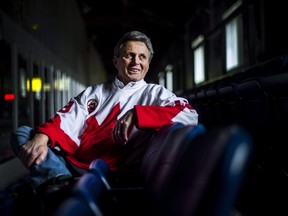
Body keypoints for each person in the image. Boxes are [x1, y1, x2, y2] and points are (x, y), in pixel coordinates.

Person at [10, 30, 198, 193]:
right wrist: (42, 138)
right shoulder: (95, 92)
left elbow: (190, 115)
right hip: (71, 164)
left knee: (33, 153)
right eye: (129, 55)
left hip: (109, 172)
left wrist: (138, 114)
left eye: (142, 57)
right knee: (23, 134)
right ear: (116, 60)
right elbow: (67, 119)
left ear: (148, 63)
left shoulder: (156, 93)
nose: (136, 62)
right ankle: (59, 180)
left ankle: (52, 181)